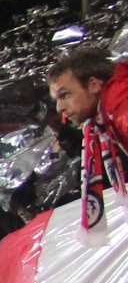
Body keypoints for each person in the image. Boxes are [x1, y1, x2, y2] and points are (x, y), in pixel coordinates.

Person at [49, 45, 128, 227]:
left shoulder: (121, 108)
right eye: (57, 100)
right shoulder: (109, 107)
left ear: (93, 85)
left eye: (65, 95)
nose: (59, 108)